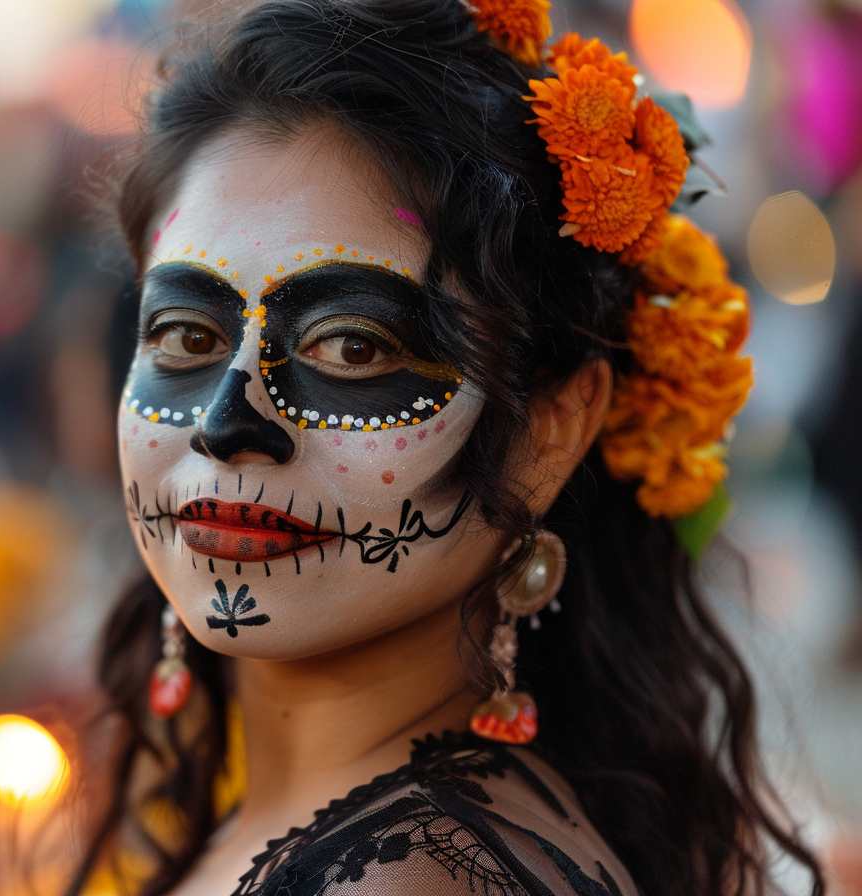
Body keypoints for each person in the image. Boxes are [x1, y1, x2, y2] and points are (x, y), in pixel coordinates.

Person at [68, 1, 824, 894]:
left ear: (551, 430)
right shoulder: (353, 836)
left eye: (353, 346)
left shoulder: (406, 876)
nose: (225, 424)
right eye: (185, 336)